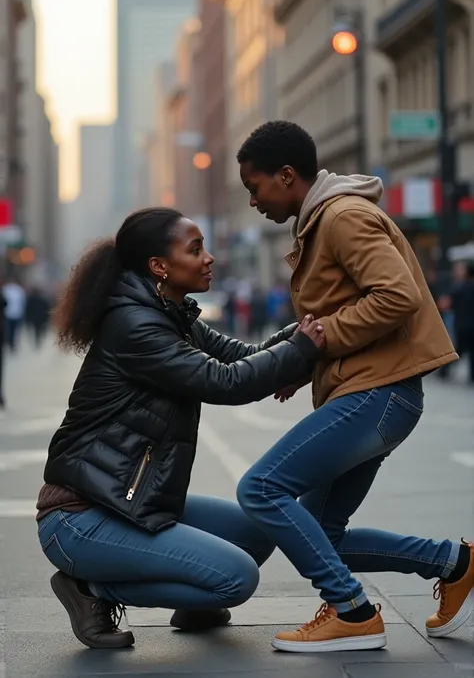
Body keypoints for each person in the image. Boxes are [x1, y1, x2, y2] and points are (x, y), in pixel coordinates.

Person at [36, 207, 324, 650]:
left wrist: (305, 332)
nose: (208, 258)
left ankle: (195, 596)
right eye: (195, 250)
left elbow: (241, 356)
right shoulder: (135, 326)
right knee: (237, 578)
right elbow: (224, 381)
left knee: (260, 529)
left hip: (131, 501)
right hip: (81, 518)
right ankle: (89, 590)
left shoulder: (172, 314)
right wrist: (301, 348)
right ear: (159, 266)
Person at [235, 120, 473, 653]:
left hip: (377, 394)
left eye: (255, 187)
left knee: (261, 488)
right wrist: (304, 363)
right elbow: (346, 308)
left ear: (287, 175)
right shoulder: (322, 221)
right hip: (372, 393)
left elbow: (397, 296)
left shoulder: (341, 217)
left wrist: (320, 345)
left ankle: (353, 611)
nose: (252, 201)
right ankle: (455, 564)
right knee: (324, 533)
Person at [2, 277, 26, 352]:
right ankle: (10, 343)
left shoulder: (18, 290)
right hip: (10, 314)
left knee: (13, 330)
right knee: (11, 330)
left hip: (14, 314)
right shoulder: (6, 289)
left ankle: (12, 343)